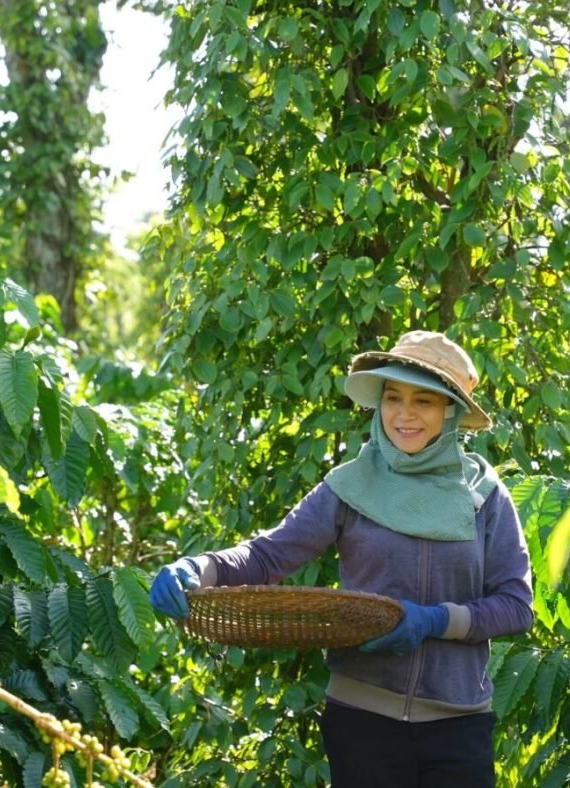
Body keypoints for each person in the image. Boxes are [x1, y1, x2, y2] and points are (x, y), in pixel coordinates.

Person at [150, 331, 534, 787]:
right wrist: (198, 568)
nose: (405, 415)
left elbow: (515, 606)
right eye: (393, 398)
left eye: (424, 402)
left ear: (450, 411)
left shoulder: (485, 497)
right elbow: (267, 554)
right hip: (362, 720)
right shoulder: (348, 487)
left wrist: (433, 620)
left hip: (458, 724)